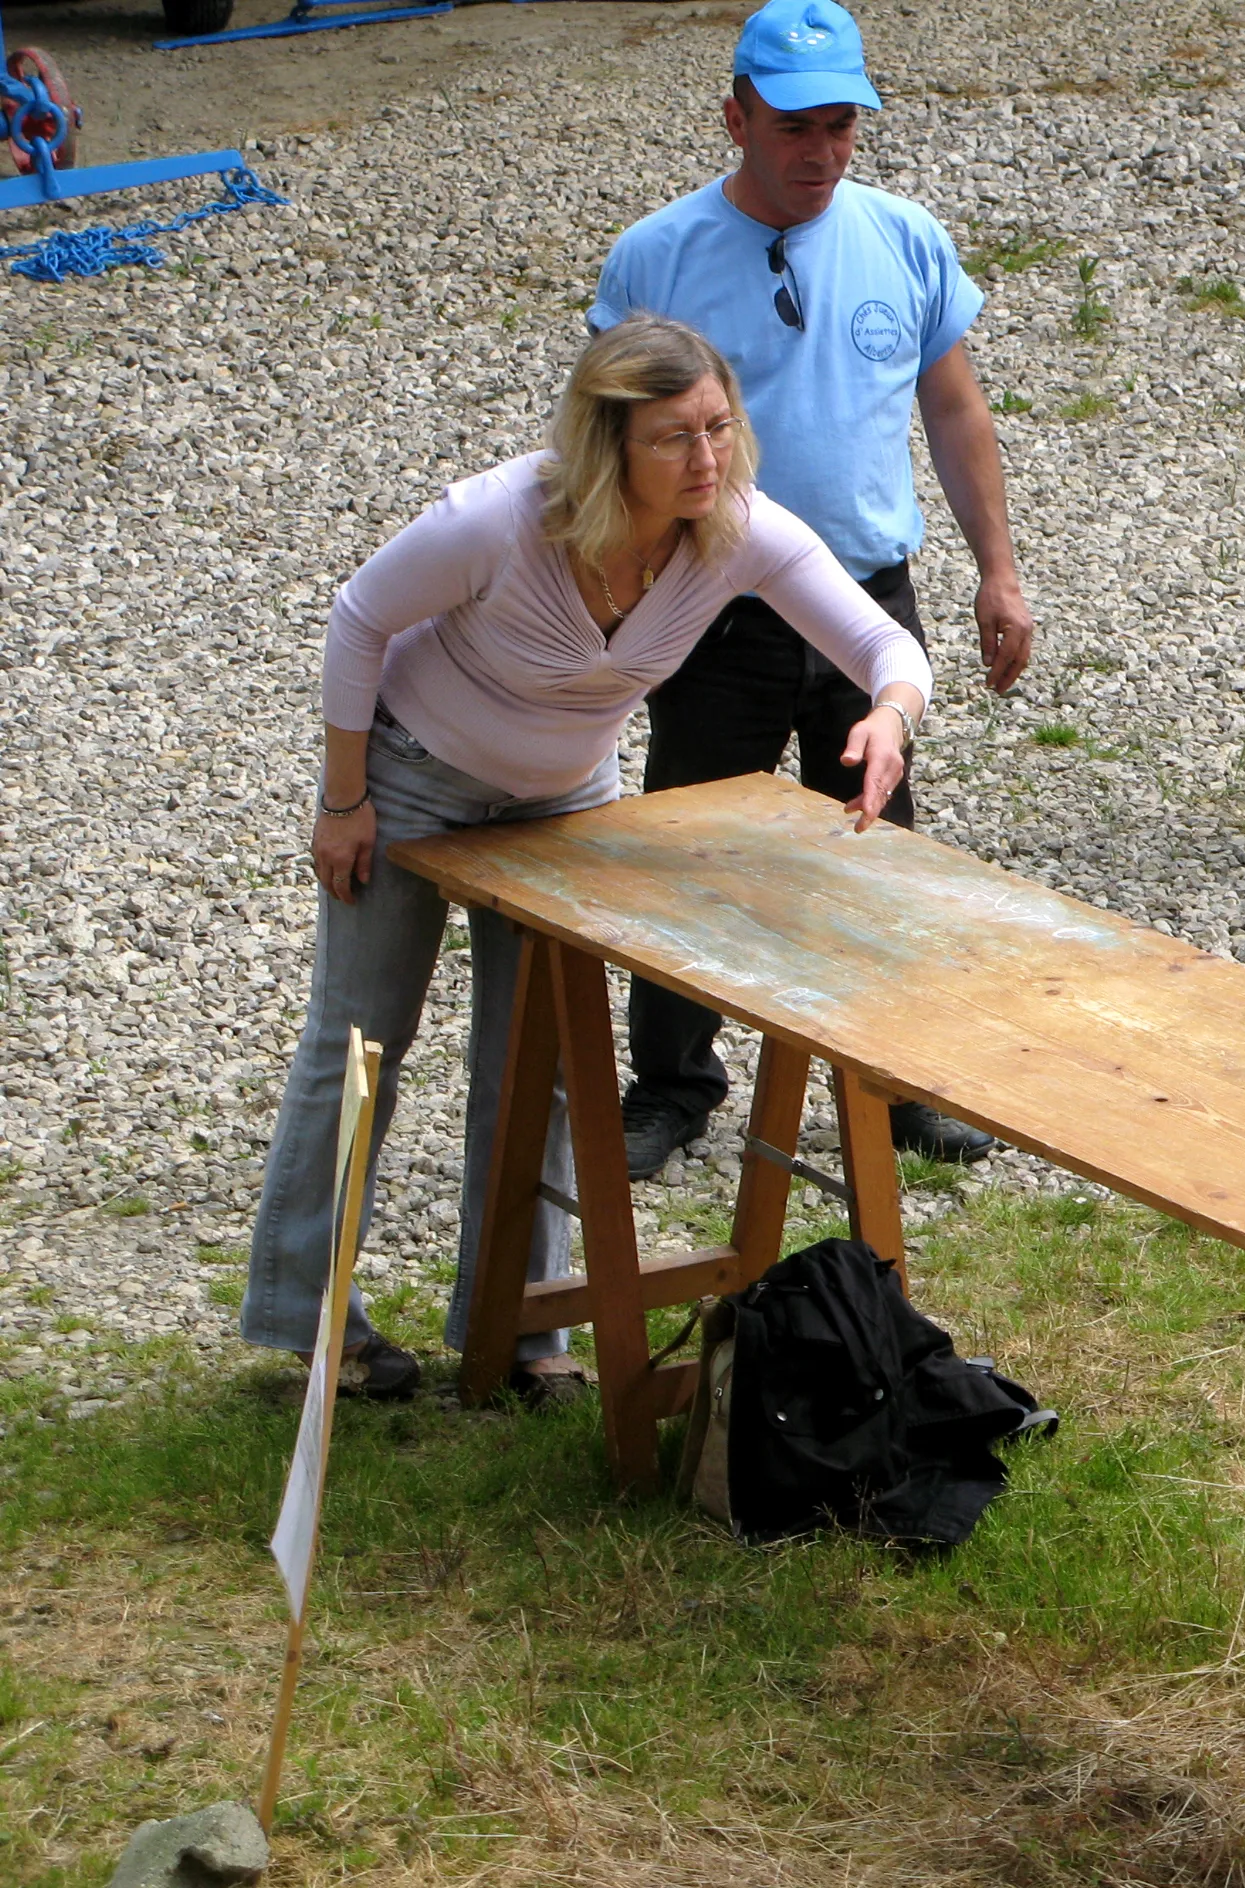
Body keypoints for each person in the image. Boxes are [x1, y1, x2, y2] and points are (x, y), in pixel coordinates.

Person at [240, 318, 933, 1404]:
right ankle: (306, 1326)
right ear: (607, 446)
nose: (706, 460)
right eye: (673, 440)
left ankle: (520, 1331)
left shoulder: (736, 529)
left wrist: (889, 718)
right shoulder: (498, 520)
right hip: (413, 777)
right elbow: (359, 616)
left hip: (563, 800)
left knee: (548, 1062)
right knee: (362, 1043)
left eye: (718, 428)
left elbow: (885, 647)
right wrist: (344, 798)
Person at [592, 0, 1033, 1176]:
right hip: (710, 603)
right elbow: (606, 444)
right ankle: (673, 1088)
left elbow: (954, 408)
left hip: (865, 594)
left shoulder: (902, 237)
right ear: (735, 116)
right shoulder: (656, 257)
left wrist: (997, 568)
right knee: (690, 845)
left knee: (878, 845)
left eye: (841, 126)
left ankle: (889, 1081)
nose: (821, 152)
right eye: (796, 127)